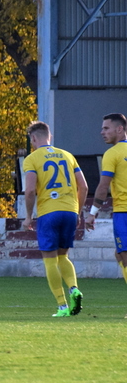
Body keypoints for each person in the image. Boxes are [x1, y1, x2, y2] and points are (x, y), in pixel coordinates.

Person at [22, 121, 86, 317]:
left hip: (49, 212)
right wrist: (77, 212)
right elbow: (83, 187)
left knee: (50, 260)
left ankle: (62, 306)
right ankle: (74, 288)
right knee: (63, 256)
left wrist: (28, 216)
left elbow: (30, 190)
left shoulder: (32, 159)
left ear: (33, 138)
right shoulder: (67, 156)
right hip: (69, 210)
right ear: (49, 136)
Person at [85, 113, 127, 304]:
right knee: (118, 254)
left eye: (106, 128)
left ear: (120, 129)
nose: (102, 132)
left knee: (124, 255)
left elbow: (103, 186)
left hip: (124, 211)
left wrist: (92, 214)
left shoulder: (113, 153)